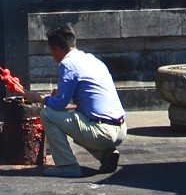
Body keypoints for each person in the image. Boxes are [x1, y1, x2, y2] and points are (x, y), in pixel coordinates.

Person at [40, 23, 125, 177]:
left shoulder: (68, 64)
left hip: (102, 131)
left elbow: (58, 105)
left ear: (57, 50)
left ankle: (67, 166)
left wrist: (41, 98)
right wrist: (60, 96)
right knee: (75, 120)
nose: (52, 57)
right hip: (120, 129)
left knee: (47, 114)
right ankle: (105, 155)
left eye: (51, 52)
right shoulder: (91, 59)